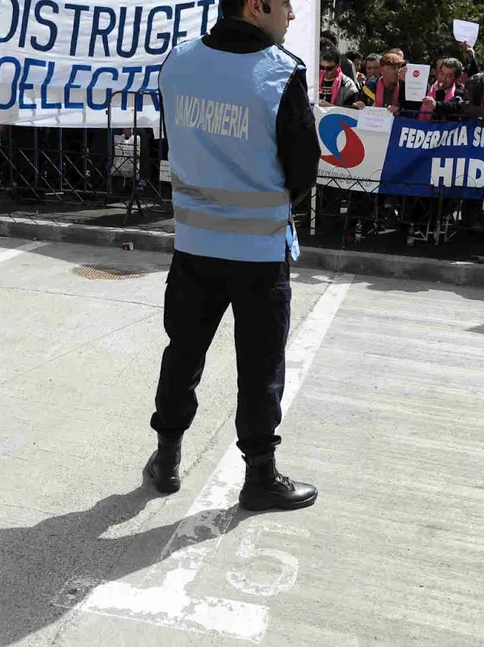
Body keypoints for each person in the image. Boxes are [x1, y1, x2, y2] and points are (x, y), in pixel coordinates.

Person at [146, 0, 320, 511]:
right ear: (257, 5)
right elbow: (303, 171)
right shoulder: (280, 72)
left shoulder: (177, 61)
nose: (291, 16)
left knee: (183, 355)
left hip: (193, 246)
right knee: (260, 365)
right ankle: (260, 477)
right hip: (258, 252)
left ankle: (167, 459)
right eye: (286, 4)